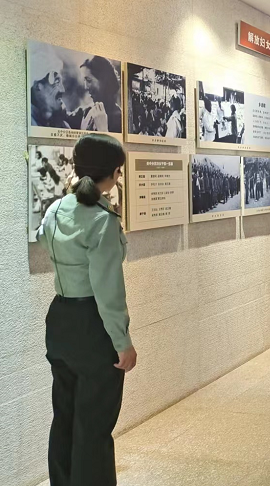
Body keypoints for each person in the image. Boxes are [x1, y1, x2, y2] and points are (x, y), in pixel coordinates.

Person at [36, 134, 136, 486]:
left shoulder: (55, 210)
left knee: (64, 417)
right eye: (118, 172)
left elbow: (43, 238)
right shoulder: (102, 220)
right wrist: (122, 342)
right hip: (93, 326)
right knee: (93, 426)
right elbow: (108, 291)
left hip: (60, 321)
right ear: (110, 173)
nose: (119, 178)